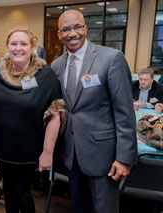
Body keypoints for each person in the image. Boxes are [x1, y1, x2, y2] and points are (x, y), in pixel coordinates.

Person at [51, 10, 137, 213]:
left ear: (86, 28)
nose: (72, 33)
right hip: (72, 155)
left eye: (77, 27)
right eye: (66, 29)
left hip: (104, 156)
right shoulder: (56, 65)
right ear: (59, 34)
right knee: (81, 208)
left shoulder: (111, 58)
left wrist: (124, 157)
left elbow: (124, 111)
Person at [0, 27, 66, 213]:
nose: (18, 48)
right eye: (13, 43)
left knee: (21, 192)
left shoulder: (45, 75)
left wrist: (47, 153)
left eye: (23, 44)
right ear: (7, 46)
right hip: (3, 149)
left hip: (28, 150)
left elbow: (54, 115)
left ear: (32, 47)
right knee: (9, 190)